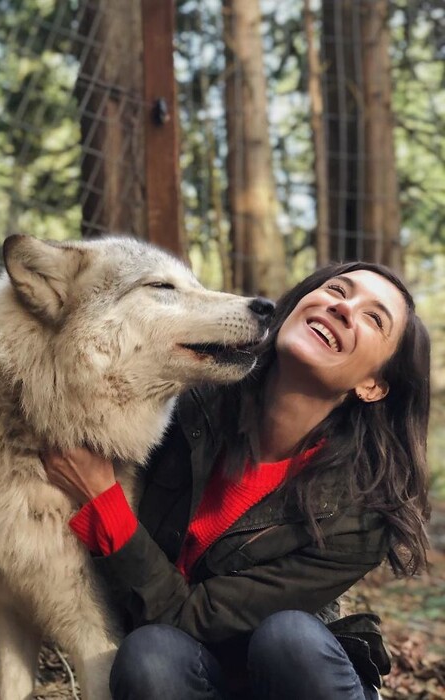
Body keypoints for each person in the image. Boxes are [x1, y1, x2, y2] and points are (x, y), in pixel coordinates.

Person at [42, 260, 431, 700]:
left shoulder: (362, 513)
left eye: (372, 317)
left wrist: (102, 499)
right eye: (337, 291)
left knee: (290, 639)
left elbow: (192, 615)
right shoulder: (187, 403)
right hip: (193, 671)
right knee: (150, 656)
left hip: (291, 680)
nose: (342, 308)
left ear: (373, 385)